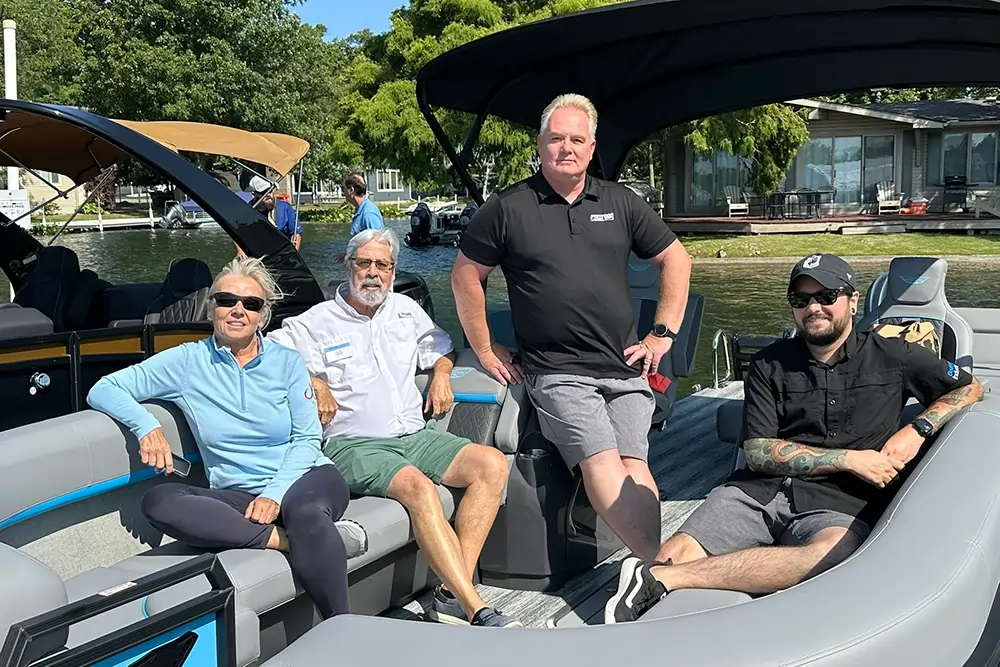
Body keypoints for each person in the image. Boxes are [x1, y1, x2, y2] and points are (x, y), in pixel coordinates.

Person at [605, 253, 985, 624]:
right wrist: (849, 459)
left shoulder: (896, 355)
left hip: (839, 502)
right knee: (676, 551)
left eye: (826, 296)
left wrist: (916, 430)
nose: (813, 308)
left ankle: (664, 581)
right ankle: (644, 608)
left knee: (836, 553)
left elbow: (968, 388)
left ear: (853, 301)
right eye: (801, 300)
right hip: (759, 491)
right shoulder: (769, 364)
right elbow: (756, 451)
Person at [450, 93, 692, 562]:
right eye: (556, 138)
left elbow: (675, 259)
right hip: (557, 371)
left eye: (577, 139)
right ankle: (662, 570)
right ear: (540, 144)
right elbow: (465, 275)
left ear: (592, 145)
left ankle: (657, 567)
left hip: (625, 365)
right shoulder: (507, 207)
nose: (567, 148)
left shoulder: (620, 201)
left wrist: (661, 334)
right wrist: (483, 347)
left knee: (634, 463)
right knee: (601, 459)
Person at [266, 227, 522, 629]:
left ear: (392, 270)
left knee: (491, 464)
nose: (373, 273)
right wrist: (313, 381)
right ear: (347, 266)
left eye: (382, 265)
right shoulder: (315, 322)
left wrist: (441, 373)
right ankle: (477, 609)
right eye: (364, 263)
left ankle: (447, 593)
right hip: (352, 444)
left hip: (415, 436)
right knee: (419, 488)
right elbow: (268, 355)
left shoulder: (405, 310)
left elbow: (440, 348)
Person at [86, 256, 364, 620]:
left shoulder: (287, 362)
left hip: (306, 477)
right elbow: (104, 388)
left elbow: (307, 440)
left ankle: (342, 629)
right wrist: (146, 426)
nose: (238, 310)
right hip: (237, 494)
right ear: (211, 306)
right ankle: (287, 542)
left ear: (263, 316)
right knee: (160, 501)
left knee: (304, 511)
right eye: (226, 300)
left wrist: (274, 494)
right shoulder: (186, 362)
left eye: (251, 304)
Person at [236, 176, 302, 258]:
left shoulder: (285, 208)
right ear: (254, 194)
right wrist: (240, 251)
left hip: (282, 254)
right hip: (257, 255)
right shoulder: (248, 210)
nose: (268, 195)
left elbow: (296, 234)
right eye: (263, 192)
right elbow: (238, 233)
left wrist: (294, 255)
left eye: (270, 191)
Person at [334, 172, 384, 263]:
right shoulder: (359, 210)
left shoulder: (368, 213)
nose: (343, 192)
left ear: (351, 190)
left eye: (344, 189)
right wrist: (348, 255)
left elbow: (378, 245)